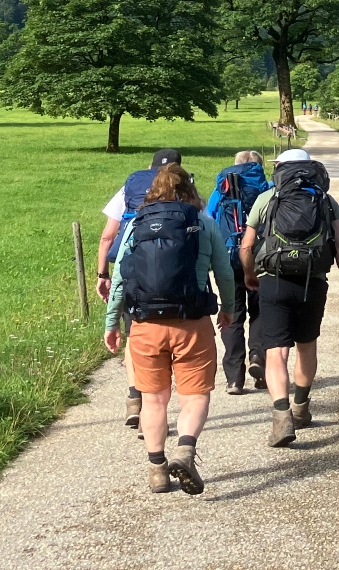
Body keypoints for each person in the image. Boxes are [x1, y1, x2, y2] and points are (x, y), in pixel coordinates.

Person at [103, 164, 234, 496]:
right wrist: (229, 309)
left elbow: (120, 279)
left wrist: (112, 323)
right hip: (192, 324)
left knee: (154, 400)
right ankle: (185, 449)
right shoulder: (203, 222)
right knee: (195, 397)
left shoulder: (136, 224)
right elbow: (224, 271)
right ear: (190, 188)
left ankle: (157, 469)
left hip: (146, 325)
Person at [240, 146, 339, 447]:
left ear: (280, 168)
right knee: (306, 347)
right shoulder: (326, 200)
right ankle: (301, 408)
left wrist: (249, 274)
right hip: (312, 281)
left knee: (276, 351)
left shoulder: (267, 198)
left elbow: (246, 246)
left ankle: (281, 417)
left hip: (274, 280)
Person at [95, 146, 181, 428]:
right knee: (171, 338)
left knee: (134, 335)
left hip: (135, 272)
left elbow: (108, 236)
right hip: (175, 276)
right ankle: (158, 410)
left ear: (149, 166)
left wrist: (102, 273)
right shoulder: (185, 186)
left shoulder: (130, 187)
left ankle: (135, 398)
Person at [206, 149, 271, 394]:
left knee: (232, 314)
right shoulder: (268, 187)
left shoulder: (222, 189)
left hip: (228, 259)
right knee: (261, 311)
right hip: (261, 259)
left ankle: (234, 378)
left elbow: (209, 220)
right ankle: (258, 357)